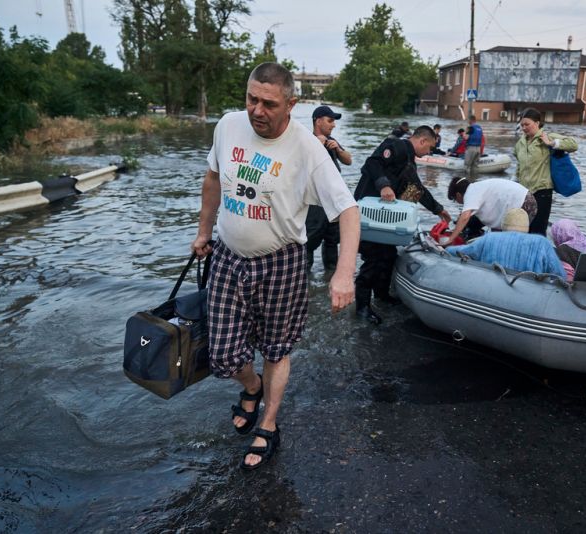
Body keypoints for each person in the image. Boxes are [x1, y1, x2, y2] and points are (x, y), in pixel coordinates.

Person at [191, 62, 360, 470]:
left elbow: (349, 211)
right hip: (229, 256)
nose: (257, 111)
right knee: (224, 354)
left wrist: (342, 273)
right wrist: (203, 230)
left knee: (276, 348)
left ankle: (267, 422)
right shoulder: (228, 126)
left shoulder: (308, 150)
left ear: (291, 104)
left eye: (268, 103)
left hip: (281, 260)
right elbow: (213, 178)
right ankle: (251, 388)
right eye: (251, 99)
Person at [354, 125, 452, 324]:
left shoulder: (410, 165)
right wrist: (384, 185)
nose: (429, 153)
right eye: (430, 148)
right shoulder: (396, 146)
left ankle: (382, 295)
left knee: (388, 255)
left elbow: (418, 191)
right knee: (372, 260)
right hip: (368, 215)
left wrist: (438, 209)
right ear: (422, 141)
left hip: (386, 219)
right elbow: (372, 163)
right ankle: (362, 307)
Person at [445, 208, 566, 277]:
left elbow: (462, 251)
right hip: (530, 296)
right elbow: (560, 275)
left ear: (503, 224)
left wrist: (445, 248)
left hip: (491, 290)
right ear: (527, 226)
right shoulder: (541, 243)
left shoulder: (490, 238)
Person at [514, 107, 578, 235]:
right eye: (522, 125)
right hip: (524, 193)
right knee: (523, 228)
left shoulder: (546, 137)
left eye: (527, 124)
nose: (524, 128)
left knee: (537, 231)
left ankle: (538, 254)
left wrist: (552, 143)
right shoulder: (520, 144)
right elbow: (519, 166)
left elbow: (573, 144)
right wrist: (513, 183)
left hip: (542, 191)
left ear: (537, 123)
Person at [305, 105, 353, 271]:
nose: (334, 125)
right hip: (315, 203)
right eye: (330, 120)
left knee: (332, 240)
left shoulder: (332, 141)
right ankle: (305, 283)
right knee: (308, 242)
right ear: (318, 121)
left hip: (333, 202)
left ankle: (330, 276)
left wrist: (338, 149)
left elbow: (349, 160)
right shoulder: (306, 140)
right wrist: (316, 146)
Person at [443, 176, 538, 244]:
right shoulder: (477, 187)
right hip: (528, 199)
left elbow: (465, 217)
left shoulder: (470, 193)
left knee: (509, 242)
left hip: (523, 203)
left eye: (455, 200)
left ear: (458, 195)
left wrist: (451, 239)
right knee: (500, 238)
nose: (458, 202)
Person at [464, 115, 483, 179]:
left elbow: (466, 138)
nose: (467, 121)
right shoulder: (479, 128)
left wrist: (464, 134)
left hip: (471, 148)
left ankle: (467, 180)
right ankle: (475, 179)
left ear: (471, 120)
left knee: (467, 166)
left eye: (468, 120)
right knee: (475, 166)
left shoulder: (470, 128)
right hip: (478, 148)